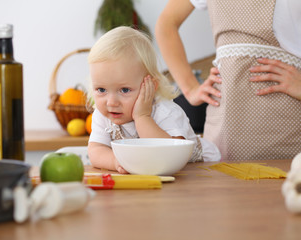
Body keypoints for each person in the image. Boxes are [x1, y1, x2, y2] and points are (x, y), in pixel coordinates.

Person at [155, 0, 301, 161]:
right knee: (219, 191)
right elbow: (166, 24)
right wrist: (190, 88)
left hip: (288, 126)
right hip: (222, 123)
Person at [87, 26, 221, 173]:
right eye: (101, 90)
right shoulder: (102, 115)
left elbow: (170, 156)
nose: (111, 102)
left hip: (203, 170)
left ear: (151, 86)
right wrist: (115, 161)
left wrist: (142, 117)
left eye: (124, 90)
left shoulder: (165, 112)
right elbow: (96, 150)